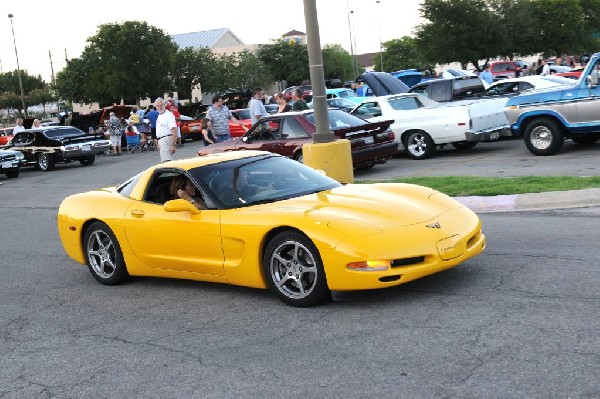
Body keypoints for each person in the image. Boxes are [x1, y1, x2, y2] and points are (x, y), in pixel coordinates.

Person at [154, 97, 177, 162]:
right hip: (162, 140)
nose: (159, 107)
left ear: (164, 105)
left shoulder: (168, 115)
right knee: (165, 161)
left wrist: (173, 144)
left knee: (167, 161)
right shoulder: (160, 115)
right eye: (157, 106)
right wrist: (159, 142)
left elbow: (174, 129)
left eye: (161, 105)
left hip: (166, 139)